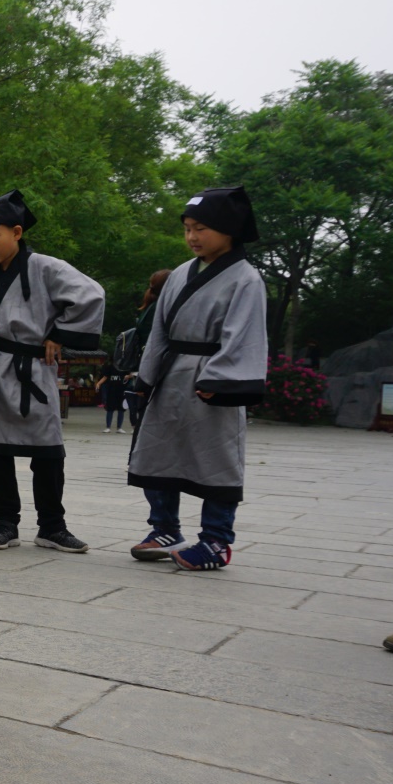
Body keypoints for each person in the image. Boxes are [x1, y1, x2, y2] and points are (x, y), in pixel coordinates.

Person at [127, 186, 268, 570]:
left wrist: (222, 380)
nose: (192, 236)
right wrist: (147, 376)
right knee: (158, 450)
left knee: (216, 458)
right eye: (188, 228)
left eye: (202, 228)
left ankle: (217, 540)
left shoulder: (246, 279)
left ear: (229, 229)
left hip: (210, 379)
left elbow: (244, 334)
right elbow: (158, 329)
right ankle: (164, 528)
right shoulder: (179, 275)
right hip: (171, 375)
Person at [0, 190, 105, 553]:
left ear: (16, 231)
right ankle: (4, 523)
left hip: (36, 368)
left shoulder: (47, 267)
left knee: (48, 451)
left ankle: (52, 526)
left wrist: (59, 334)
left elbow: (90, 295)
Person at [95, 362, 127, 433]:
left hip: (122, 391)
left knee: (121, 409)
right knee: (110, 409)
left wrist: (129, 376)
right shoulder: (110, 367)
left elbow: (132, 374)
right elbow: (105, 377)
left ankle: (119, 428)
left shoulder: (125, 367)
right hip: (111, 391)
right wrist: (98, 383)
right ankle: (108, 427)